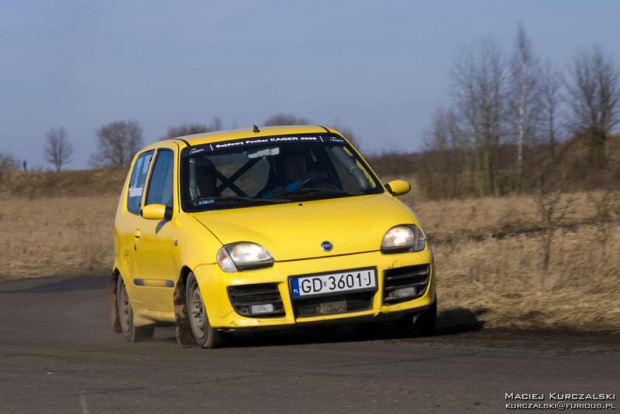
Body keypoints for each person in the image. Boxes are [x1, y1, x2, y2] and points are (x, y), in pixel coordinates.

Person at [262, 151, 327, 198]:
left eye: (301, 162)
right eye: (292, 163)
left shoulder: (319, 183)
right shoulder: (273, 192)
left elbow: (334, 189)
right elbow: (264, 199)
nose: (298, 166)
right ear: (281, 168)